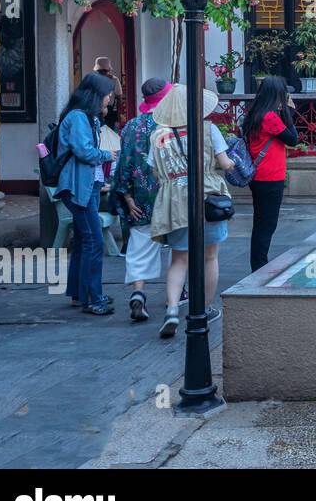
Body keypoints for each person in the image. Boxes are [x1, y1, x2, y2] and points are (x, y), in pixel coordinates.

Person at [149, 84, 234, 339]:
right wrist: (231, 163)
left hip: (173, 201)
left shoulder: (158, 136)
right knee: (210, 256)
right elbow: (224, 163)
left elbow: (154, 170)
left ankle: (173, 309)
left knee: (179, 258)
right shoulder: (208, 129)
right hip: (207, 197)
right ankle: (206, 308)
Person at [53, 73, 119, 315]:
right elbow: (85, 152)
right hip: (77, 186)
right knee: (94, 240)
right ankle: (94, 297)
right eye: (107, 95)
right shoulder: (78, 117)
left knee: (83, 240)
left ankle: (80, 294)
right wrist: (106, 156)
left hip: (87, 185)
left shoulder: (86, 117)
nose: (109, 99)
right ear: (94, 95)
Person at [112, 77, 171, 322]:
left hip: (140, 196)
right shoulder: (172, 126)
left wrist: (126, 197)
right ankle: (174, 296)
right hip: (169, 195)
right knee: (178, 248)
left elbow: (122, 165)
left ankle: (138, 292)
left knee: (139, 246)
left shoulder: (131, 127)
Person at [242, 76, 299, 273]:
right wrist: (288, 113)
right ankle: (259, 266)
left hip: (260, 177)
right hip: (269, 177)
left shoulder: (255, 113)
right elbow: (293, 139)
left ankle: (258, 263)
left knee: (261, 223)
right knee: (266, 225)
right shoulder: (270, 117)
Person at [94, 56, 125, 132]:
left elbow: (119, 97)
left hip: (110, 111)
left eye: (104, 71)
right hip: (95, 109)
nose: (103, 73)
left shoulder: (114, 79)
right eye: (101, 71)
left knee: (109, 133)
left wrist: (118, 116)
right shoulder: (94, 78)